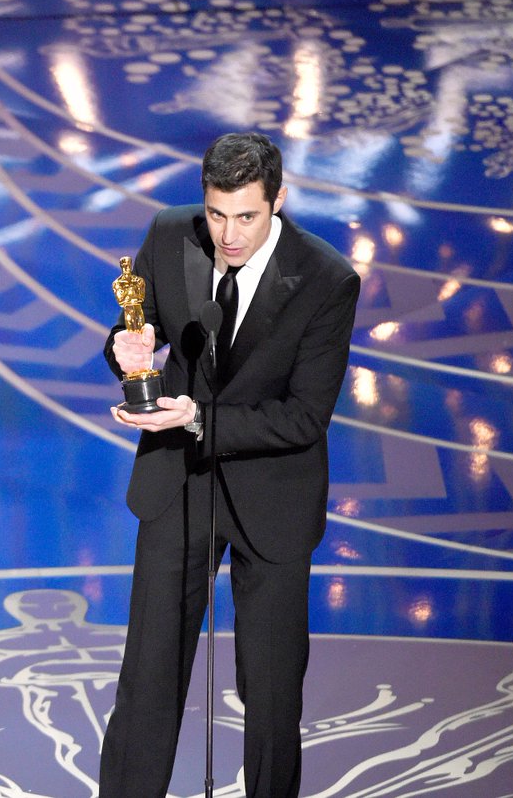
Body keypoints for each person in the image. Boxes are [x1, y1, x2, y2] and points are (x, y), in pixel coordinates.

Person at [97, 132, 360, 796]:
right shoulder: (168, 236)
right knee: (148, 673)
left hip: (274, 499)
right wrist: (127, 352)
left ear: (277, 199)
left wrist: (199, 420)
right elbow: (138, 326)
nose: (229, 234)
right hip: (177, 484)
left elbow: (304, 416)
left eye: (246, 216)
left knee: (271, 694)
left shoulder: (327, 280)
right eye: (217, 214)